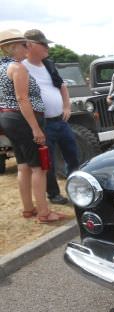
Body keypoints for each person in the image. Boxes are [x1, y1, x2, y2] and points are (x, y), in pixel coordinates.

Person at [0, 29, 65, 223]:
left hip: (9, 119)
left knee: (23, 165)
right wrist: (36, 128)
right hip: (24, 120)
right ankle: (44, 213)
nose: (27, 48)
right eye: (24, 45)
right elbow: (22, 98)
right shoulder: (17, 68)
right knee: (39, 167)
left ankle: (29, 209)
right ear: (12, 48)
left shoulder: (2, 68)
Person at [23, 29, 79, 205]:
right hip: (43, 124)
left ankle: (76, 188)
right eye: (43, 44)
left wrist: (66, 106)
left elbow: (62, 86)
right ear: (30, 45)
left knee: (73, 155)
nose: (47, 47)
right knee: (48, 163)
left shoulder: (48, 65)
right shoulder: (22, 67)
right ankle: (54, 194)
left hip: (60, 121)